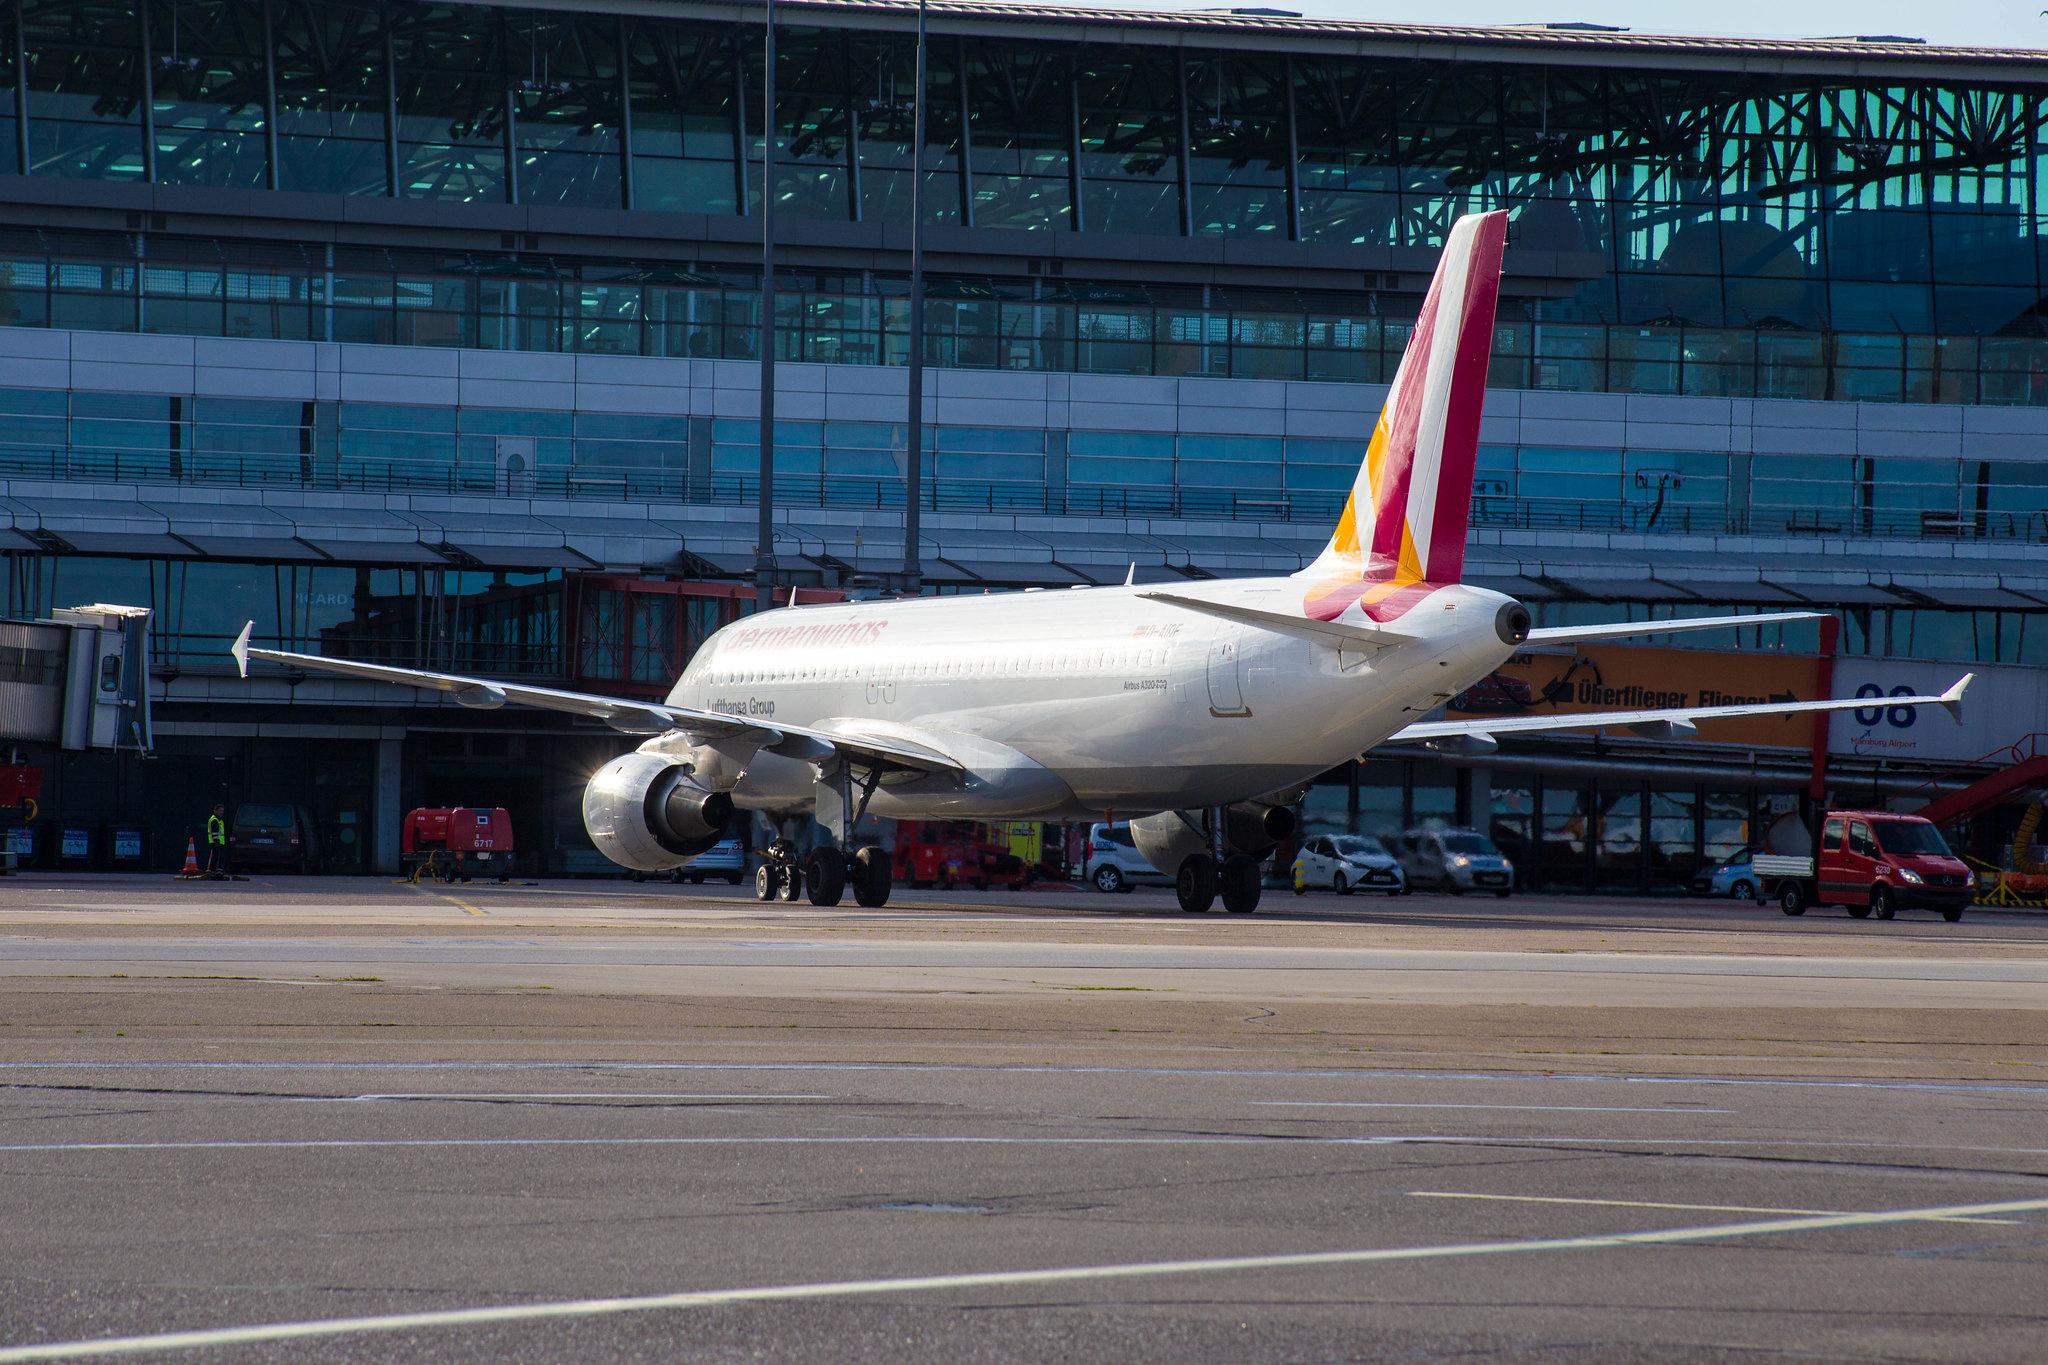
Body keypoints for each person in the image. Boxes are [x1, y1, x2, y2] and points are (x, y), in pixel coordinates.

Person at [204, 803, 228, 879]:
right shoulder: (214, 820)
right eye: (220, 810)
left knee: (216, 857)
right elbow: (214, 832)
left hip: (219, 842)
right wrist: (216, 842)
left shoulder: (219, 820)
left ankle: (214, 871)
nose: (222, 812)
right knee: (217, 857)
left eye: (222, 811)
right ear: (215, 811)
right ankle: (216, 871)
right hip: (216, 842)